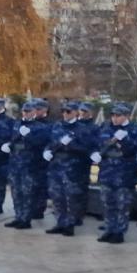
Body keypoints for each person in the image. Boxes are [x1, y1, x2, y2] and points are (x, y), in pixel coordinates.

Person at [94, 102, 137, 243]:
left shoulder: (134, 130)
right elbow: (98, 144)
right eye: (113, 115)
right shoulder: (106, 128)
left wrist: (123, 140)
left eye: (118, 115)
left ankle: (119, 232)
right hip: (107, 172)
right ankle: (109, 230)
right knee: (108, 203)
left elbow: (135, 150)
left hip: (125, 173)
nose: (115, 118)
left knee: (122, 205)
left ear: (126, 116)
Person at [45, 101, 95, 236]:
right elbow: (51, 143)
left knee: (72, 198)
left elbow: (88, 149)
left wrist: (71, 146)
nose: (65, 114)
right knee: (57, 197)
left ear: (76, 112)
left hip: (73, 168)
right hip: (56, 166)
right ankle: (60, 223)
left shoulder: (82, 128)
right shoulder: (57, 125)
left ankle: (70, 224)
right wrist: (47, 151)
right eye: (63, 111)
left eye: (68, 112)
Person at [5, 101, 52, 230]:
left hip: (30, 165)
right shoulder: (17, 124)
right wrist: (9, 145)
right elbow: (13, 140)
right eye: (24, 111)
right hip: (15, 164)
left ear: (34, 112)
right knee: (16, 193)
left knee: (27, 193)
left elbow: (41, 143)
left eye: (29, 111)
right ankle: (18, 217)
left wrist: (28, 136)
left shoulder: (40, 127)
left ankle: (26, 219)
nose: (26, 113)